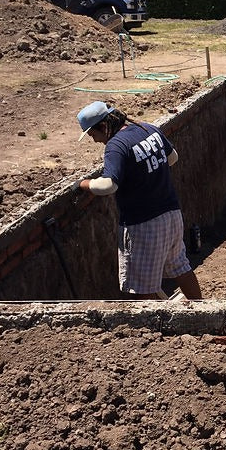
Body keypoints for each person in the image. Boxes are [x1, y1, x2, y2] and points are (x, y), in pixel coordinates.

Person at [76, 101, 202, 301]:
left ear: (103, 126)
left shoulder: (116, 146)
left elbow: (109, 185)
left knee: (141, 286)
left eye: (93, 135)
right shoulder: (148, 128)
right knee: (179, 267)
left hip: (143, 224)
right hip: (171, 214)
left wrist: (84, 184)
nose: (95, 141)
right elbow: (173, 158)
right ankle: (200, 309)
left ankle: (154, 329)